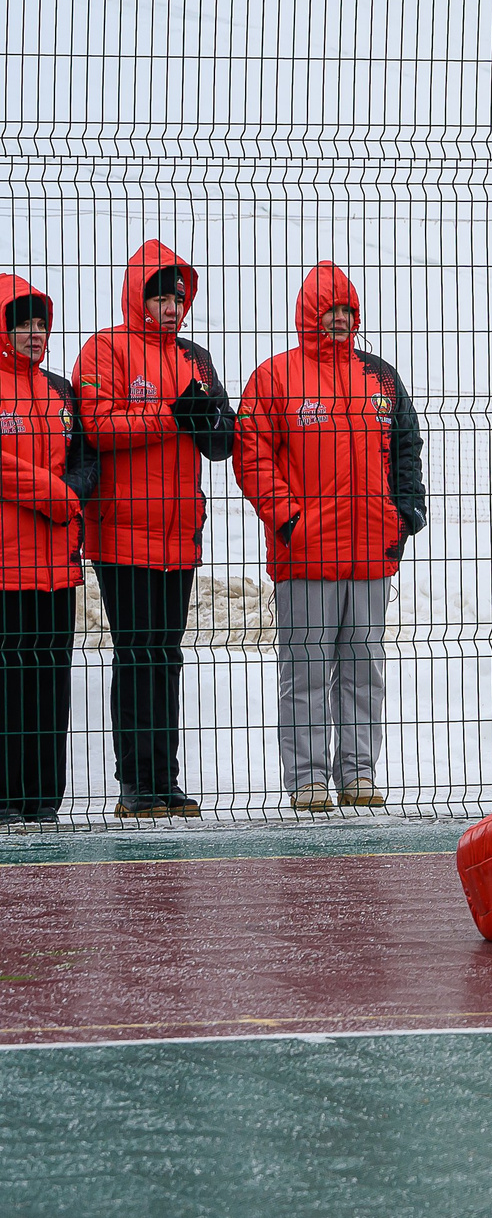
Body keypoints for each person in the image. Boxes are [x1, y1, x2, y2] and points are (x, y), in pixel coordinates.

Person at [232, 263, 426, 813]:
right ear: (307, 315)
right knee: (307, 670)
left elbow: (407, 447)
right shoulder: (275, 378)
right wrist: (286, 519)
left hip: (371, 551)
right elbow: (253, 454)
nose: (339, 321)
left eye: (347, 312)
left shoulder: (380, 378)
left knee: (365, 667)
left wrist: (405, 514)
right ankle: (308, 780)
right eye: (329, 311)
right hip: (307, 553)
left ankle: (358, 775)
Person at [73, 242, 233, 818]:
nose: (172, 306)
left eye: (179, 295)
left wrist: (210, 415)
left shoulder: (195, 357)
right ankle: (135, 784)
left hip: (179, 534)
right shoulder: (105, 348)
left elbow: (221, 441)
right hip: (122, 535)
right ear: (137, 295)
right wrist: (172, 414)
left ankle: (163, 781)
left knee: (165, 657)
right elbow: (98, 426)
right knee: (136, 654)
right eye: (161, 295)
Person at [0, 278, 96, 824]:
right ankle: (5, 797)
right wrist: (56, 494)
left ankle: (42, 799)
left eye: (41, 324)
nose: (35, 334)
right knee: (8, 683)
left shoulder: (60, 392)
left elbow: (87, 462)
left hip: (57, 564)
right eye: (23, 324)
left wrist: (70, 493)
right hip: (6, 565)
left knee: (48, 683)